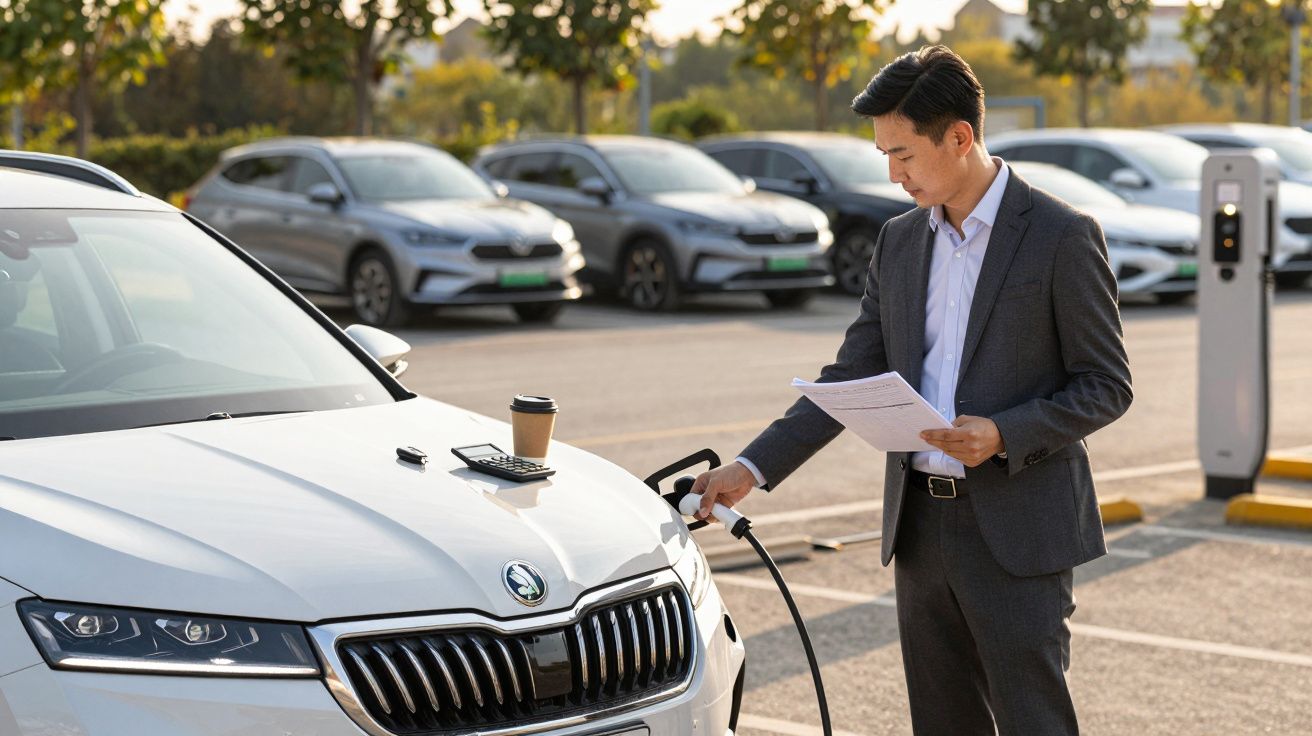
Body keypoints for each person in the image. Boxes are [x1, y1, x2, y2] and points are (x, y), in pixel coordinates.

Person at [691, 45, 1133, 735]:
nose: (893, 175)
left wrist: (1005, 433)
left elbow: (1106, 386)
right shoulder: (898, 242)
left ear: (960, 138)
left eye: (904, 155)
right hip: (921, 531)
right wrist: (750, 469)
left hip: (1019, 533)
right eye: (883, 157)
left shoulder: (1061, 235)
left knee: (1033, 722)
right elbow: (849, 377)